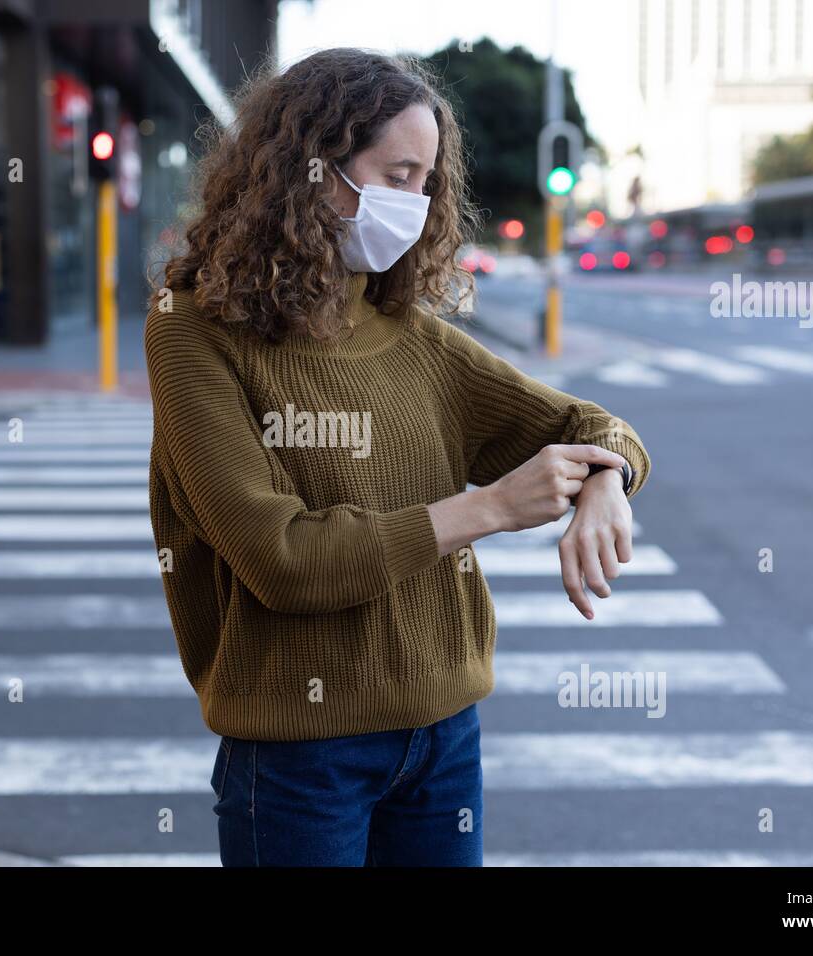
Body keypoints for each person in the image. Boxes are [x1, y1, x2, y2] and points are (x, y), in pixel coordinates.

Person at [144, 48, 651, 867]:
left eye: (426, 183)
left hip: (445, 740)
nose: (415, 202)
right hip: (300, 758)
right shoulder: (193, 329)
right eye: (398, 174)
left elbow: (592, 423)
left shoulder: (413, 336)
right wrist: (487, 508)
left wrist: (610, 481)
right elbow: (282, 560)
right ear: (309, 171)